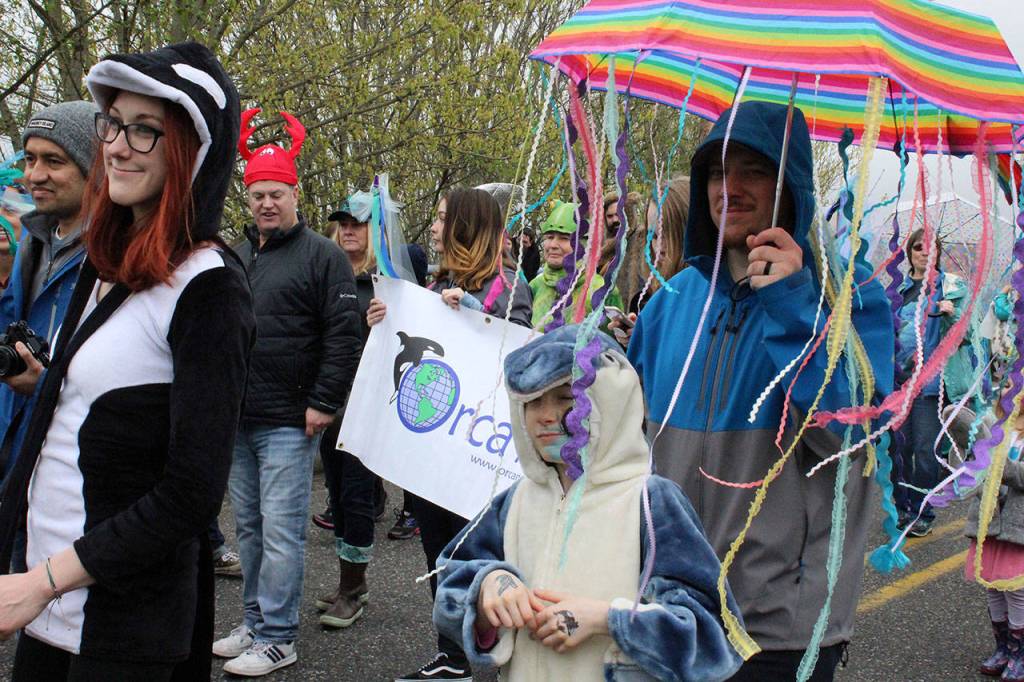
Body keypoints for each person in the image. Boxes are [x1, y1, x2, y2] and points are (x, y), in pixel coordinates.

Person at [0, 41, 254, 680]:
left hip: (122, 625)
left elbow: (191, 493)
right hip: (45, 604)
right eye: (114, 122)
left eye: (147, 131)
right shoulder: (105, 260)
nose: (116, 145)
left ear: (192, 154)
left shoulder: (209, 287)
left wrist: (45, 581)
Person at [625, 102, 894, 681]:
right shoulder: (671, 303)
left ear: (791, 184)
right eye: (719, 172)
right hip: (665, 605)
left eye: (754, 169)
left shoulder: (852, 298)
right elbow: (621, 445)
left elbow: (853, 437)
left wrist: (794, 304)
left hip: (776, 627)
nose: (731, 187)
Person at [432, 324, 743, 681]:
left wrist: (607, 619)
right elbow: (451, 585)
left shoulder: (651, 502)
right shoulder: (515, 501)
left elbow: (711, 636)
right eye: (532, 401)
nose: (545, 415)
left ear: (609, 399)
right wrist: (489, 589)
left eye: (566, 397)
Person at [213, 109, 363, 676]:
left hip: (288, 420)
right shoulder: (237, 253)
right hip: (240, 417)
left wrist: (323, 402)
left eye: (276, 193)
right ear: (247, 200)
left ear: (293, 194)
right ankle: (254, 621)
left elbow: (344, 336)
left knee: (279, 532)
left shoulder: (322, 256)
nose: (267, 203)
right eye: (257, 195)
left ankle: (278, 635)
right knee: (249, 528)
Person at [368, 187, 532, 682]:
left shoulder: (510, 285)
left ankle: (495, 646)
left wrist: (478, 310)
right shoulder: (439, 280)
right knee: (438, 550)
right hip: (436, 449)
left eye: (442, 219)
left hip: (477, 453)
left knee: (480, 552)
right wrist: (382, 318)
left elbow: (518, 349)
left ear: (465, 226)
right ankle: (453, 651)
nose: (435, 229)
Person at [314, 191, 429, 630]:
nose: (347, 230)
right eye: (342, 221)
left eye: (357, 223)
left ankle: (354, 588)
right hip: (330, 405)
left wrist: (389, 319)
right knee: (340, 495)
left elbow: (412, 342)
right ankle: (347, 583)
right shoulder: (327, 273)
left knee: (356, 495)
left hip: (367, 408)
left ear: (374, 231)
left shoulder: (389, 285)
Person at [0, 101, 97, 482]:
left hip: (74, 469)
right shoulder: (32, 245)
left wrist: (47, 386)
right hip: (17, 455)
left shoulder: (115, 258)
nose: (34, 175)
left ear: (94, 169)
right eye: (31, 159)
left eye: (54, 161)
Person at [893, 228, 975, 538]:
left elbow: (968, 336)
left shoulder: (952, 288)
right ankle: (901, 507)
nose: (925, 252)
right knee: (900, 450)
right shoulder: (898, 289)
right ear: (910, 252)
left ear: (938, 252)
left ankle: (921, 510)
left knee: (927, 453)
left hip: (933, 387)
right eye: (918, 247)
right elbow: (890, 331)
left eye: (932, 247)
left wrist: (950, 316)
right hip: (901, 385)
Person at [966, 393, 1024, 682]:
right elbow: (973, 470)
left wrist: (1001, 464)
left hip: (1018, 527)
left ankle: (1020, 652)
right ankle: (1003, 647)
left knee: (1016, 589)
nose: (1011, 393)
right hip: (990, 522)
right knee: (991, 586)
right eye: (1008, 386)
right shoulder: (997, 428)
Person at [528, 200, 621, 330]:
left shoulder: (603, 291)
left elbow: (616, 344)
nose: (553, 245)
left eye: (564, 238)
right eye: (549, 237)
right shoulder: (534, 286)